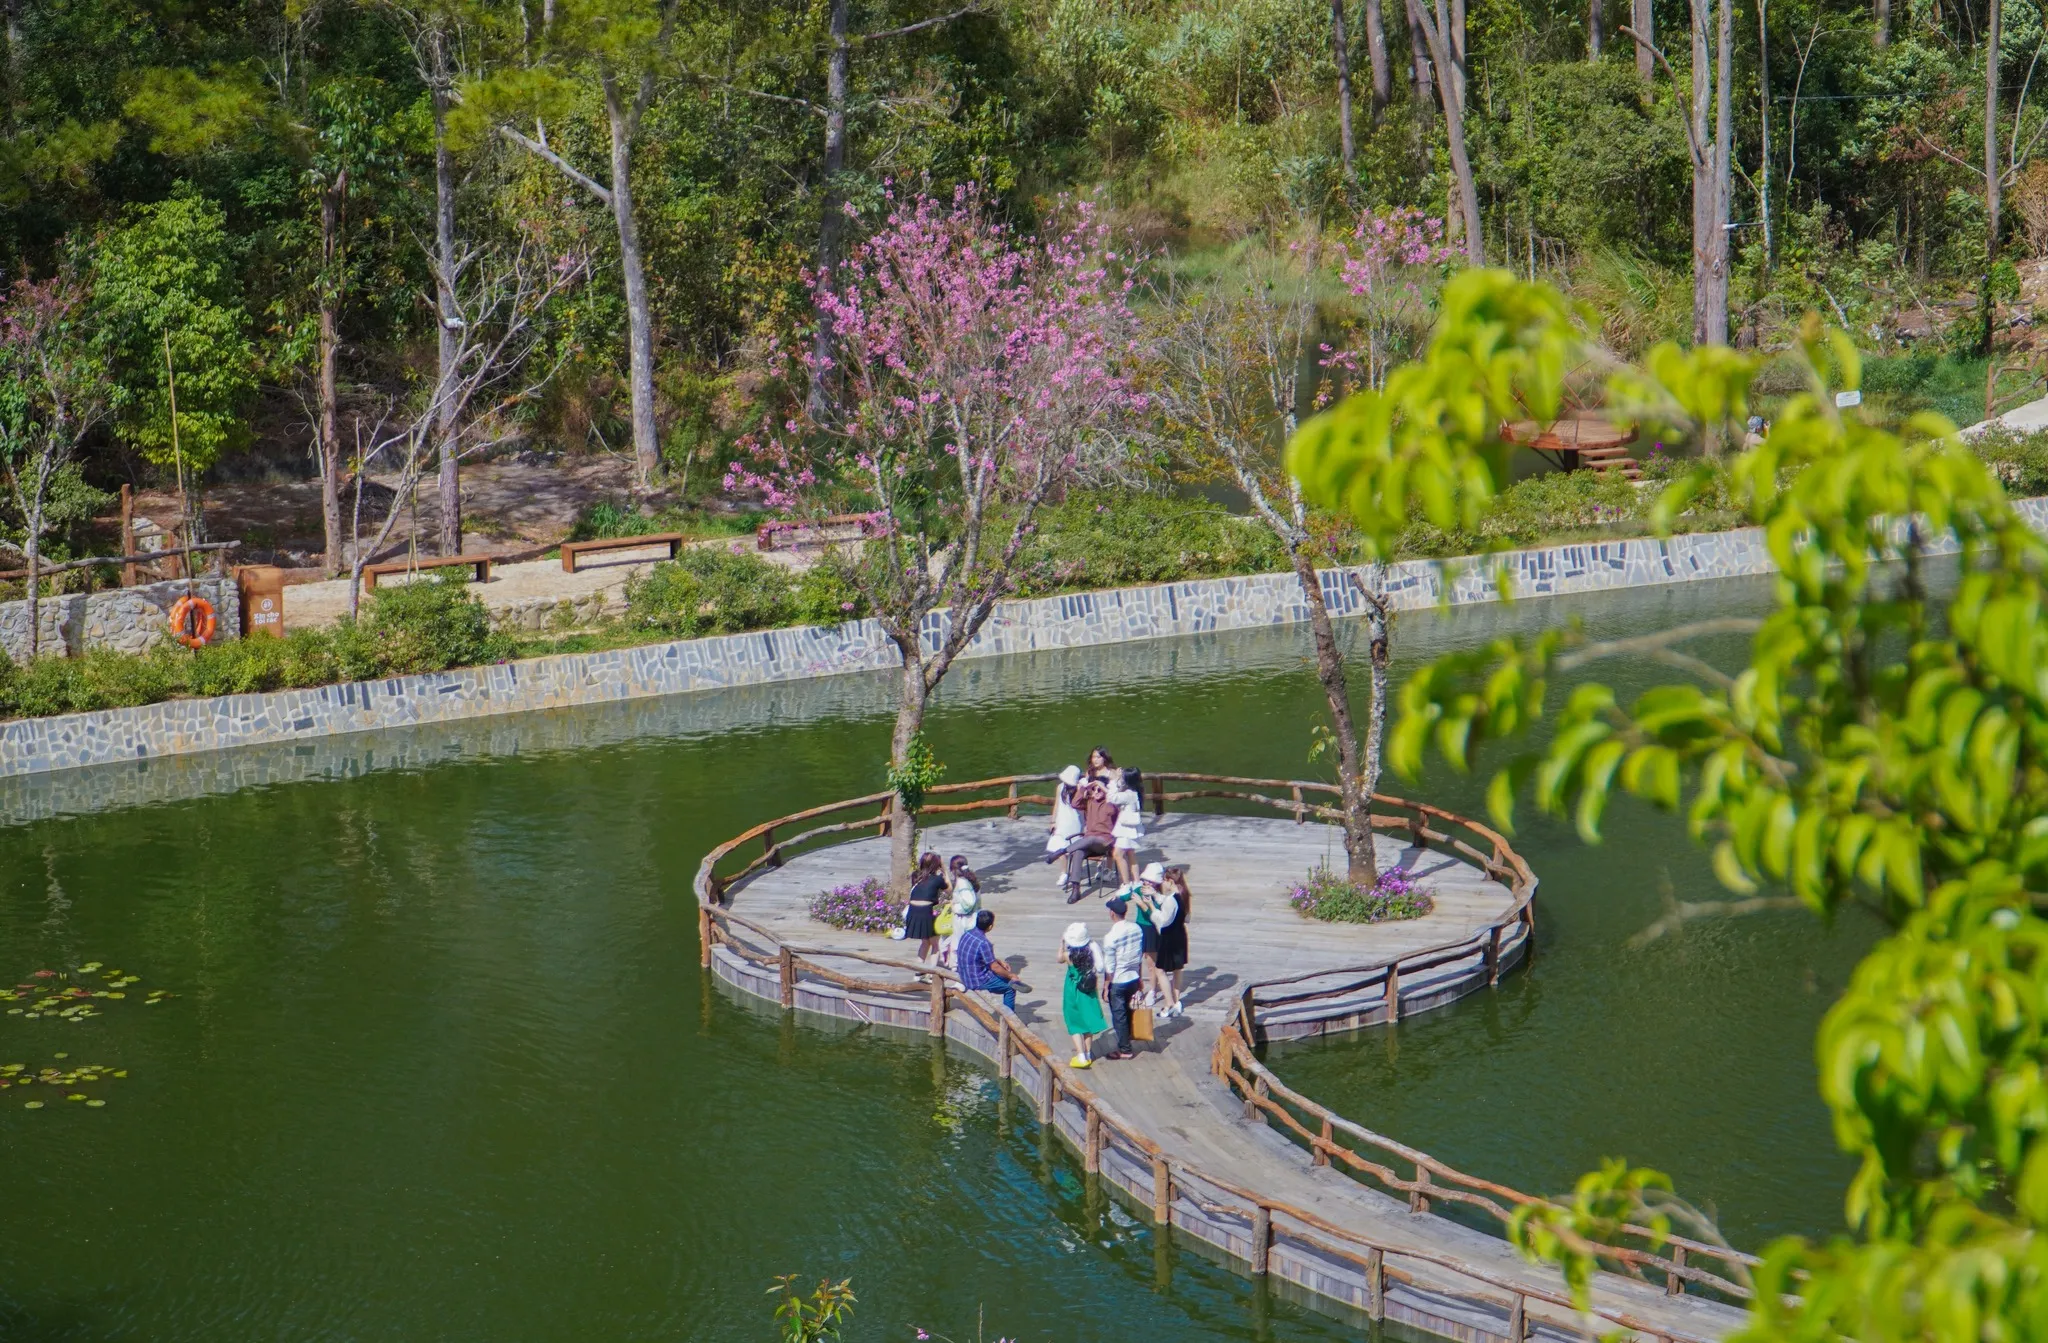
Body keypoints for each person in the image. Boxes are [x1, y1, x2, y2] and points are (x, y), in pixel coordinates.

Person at [1058, 921, 1109, 1067]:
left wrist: (1061, 943)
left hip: (1073, 989)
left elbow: (1058, 958)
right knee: (1087, 1020)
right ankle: (1087, 1053)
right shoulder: (1091, 954)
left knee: (1073, 1021)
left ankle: (1081, 1056)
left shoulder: (1068, 956)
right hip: (1089, 989)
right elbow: (1100, 966)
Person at [1101, 895, 1145, 1059]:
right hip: (1133, 976)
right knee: (1128, 1010)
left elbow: (1109, 966)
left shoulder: (1110, 937)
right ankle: (1128, 1038)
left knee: (1119, 1015)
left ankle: (1125, 1049)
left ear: (1112, 913)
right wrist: (1140, 978)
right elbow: (1138, 955)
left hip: (1118, 980)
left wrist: (1106, 987)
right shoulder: (1136, 929)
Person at [956, 909, 1024, 1013]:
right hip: (976, 980)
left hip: (964, 974)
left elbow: (979, 955)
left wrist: (999, 961)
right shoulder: (984, 943)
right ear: (990, 927)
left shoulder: (967, 934)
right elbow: (994, 967)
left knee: (1002, 974)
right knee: (1010, 987)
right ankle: (1009, 1020)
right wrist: (1011, 975)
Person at [1154, 867, 1192, 1019]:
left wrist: (1150, 907)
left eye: (1164, 880)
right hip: (1181, 935)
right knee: (1178, 969)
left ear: (1170, 881)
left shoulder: (1171, 899)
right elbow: (1187, 918)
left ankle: (1168, 1003)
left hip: (1169, 937)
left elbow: (1163, 920)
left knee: (1160, 970)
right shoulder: (1185, 895)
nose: (1163, 883)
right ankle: (1177, 1001)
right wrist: (1155, 895)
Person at [939, 855, 982, 970]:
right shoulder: (970, 880)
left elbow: (969, 903)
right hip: (970, 918)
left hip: (963, 919)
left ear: (953, 869)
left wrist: (954, 906)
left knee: (956, 946)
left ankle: (957, 971)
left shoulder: (962, 883)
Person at [902, 852, 946, 963]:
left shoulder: (916, 876)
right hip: (925, 912)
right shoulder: (937, 879)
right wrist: (944, 870)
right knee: (935, 944)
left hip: (913, 912)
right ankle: (932, 972)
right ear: (936, 865)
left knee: (925, 942)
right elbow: (949, 889)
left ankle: (919, 971)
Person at [1045, 765, 1085, 887]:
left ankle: (1073, 872)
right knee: (1059, 847)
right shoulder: (1060, 787)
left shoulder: (1080, 790)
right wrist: (1053, 820)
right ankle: (1064, 872)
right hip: (1062, 820)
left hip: (1076, 821)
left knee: (1074, 848)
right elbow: (1057, 804)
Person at [1108, 766, 1145, 884]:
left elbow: (1112, 798)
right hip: (1130, 828)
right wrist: (1119, 779)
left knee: (1118, 854)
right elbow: (1119, 792)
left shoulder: (1128, 795)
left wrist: (1114, 780)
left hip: (1126, 829)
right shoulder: (1134, 793)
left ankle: (1126, 883)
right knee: (1130, 854)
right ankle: (1137, 881)